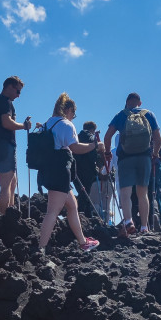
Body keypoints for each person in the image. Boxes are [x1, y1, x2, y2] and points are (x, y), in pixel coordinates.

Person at [38, 93, 101, 253]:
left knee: (72, 205)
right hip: (60, 171)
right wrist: (94, 146)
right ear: (68, 110)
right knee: (53, 211)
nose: (74, 116)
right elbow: (75, 148)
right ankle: (40, 249)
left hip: (47, 170)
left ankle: (83, 242)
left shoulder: (47, 123)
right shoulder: (66, 124)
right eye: (74, 112)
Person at [104, 92, 161, 235]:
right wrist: (154, 154)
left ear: (127, 102)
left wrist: (107, 152)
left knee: (126, 192)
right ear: (139, 103)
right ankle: (144, 227)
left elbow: (107, 136)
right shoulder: (149, 114)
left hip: (125, 157)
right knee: (143, 193)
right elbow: (158, 139)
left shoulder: (121, 115)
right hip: (144, 157)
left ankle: (128, 221)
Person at [0, 76, 31, 215]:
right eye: (18, 91)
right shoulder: (5, 102)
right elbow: (6, 123)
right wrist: (24, 126)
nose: (18, 95)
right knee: (5, 186)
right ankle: (3, 218)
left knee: (12, 182)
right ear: (9, 87)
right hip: (5, 147)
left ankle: (10, 214)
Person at [73, 121, 104, 216]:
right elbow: (96, 149)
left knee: (82, 192)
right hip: (88, 169)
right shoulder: (90, 136)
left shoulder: (76, 137)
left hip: (75, 169)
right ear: (92, 129)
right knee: (85, 192)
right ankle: (81, 214)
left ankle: (87, 215)